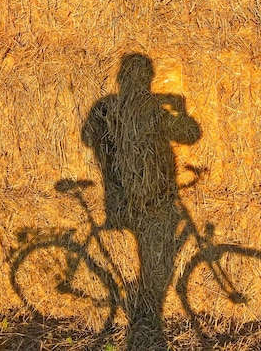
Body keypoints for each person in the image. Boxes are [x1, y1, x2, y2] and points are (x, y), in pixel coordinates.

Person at [81, 53, 201, 342]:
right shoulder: (152, 109)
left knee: (148, 256)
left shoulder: (109, 106)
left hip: (123, 197)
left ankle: (138, 308)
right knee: (157, 257)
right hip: (148, 201)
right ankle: (148, 314)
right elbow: (191, 134)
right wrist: (180, 109)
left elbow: (88, 136)